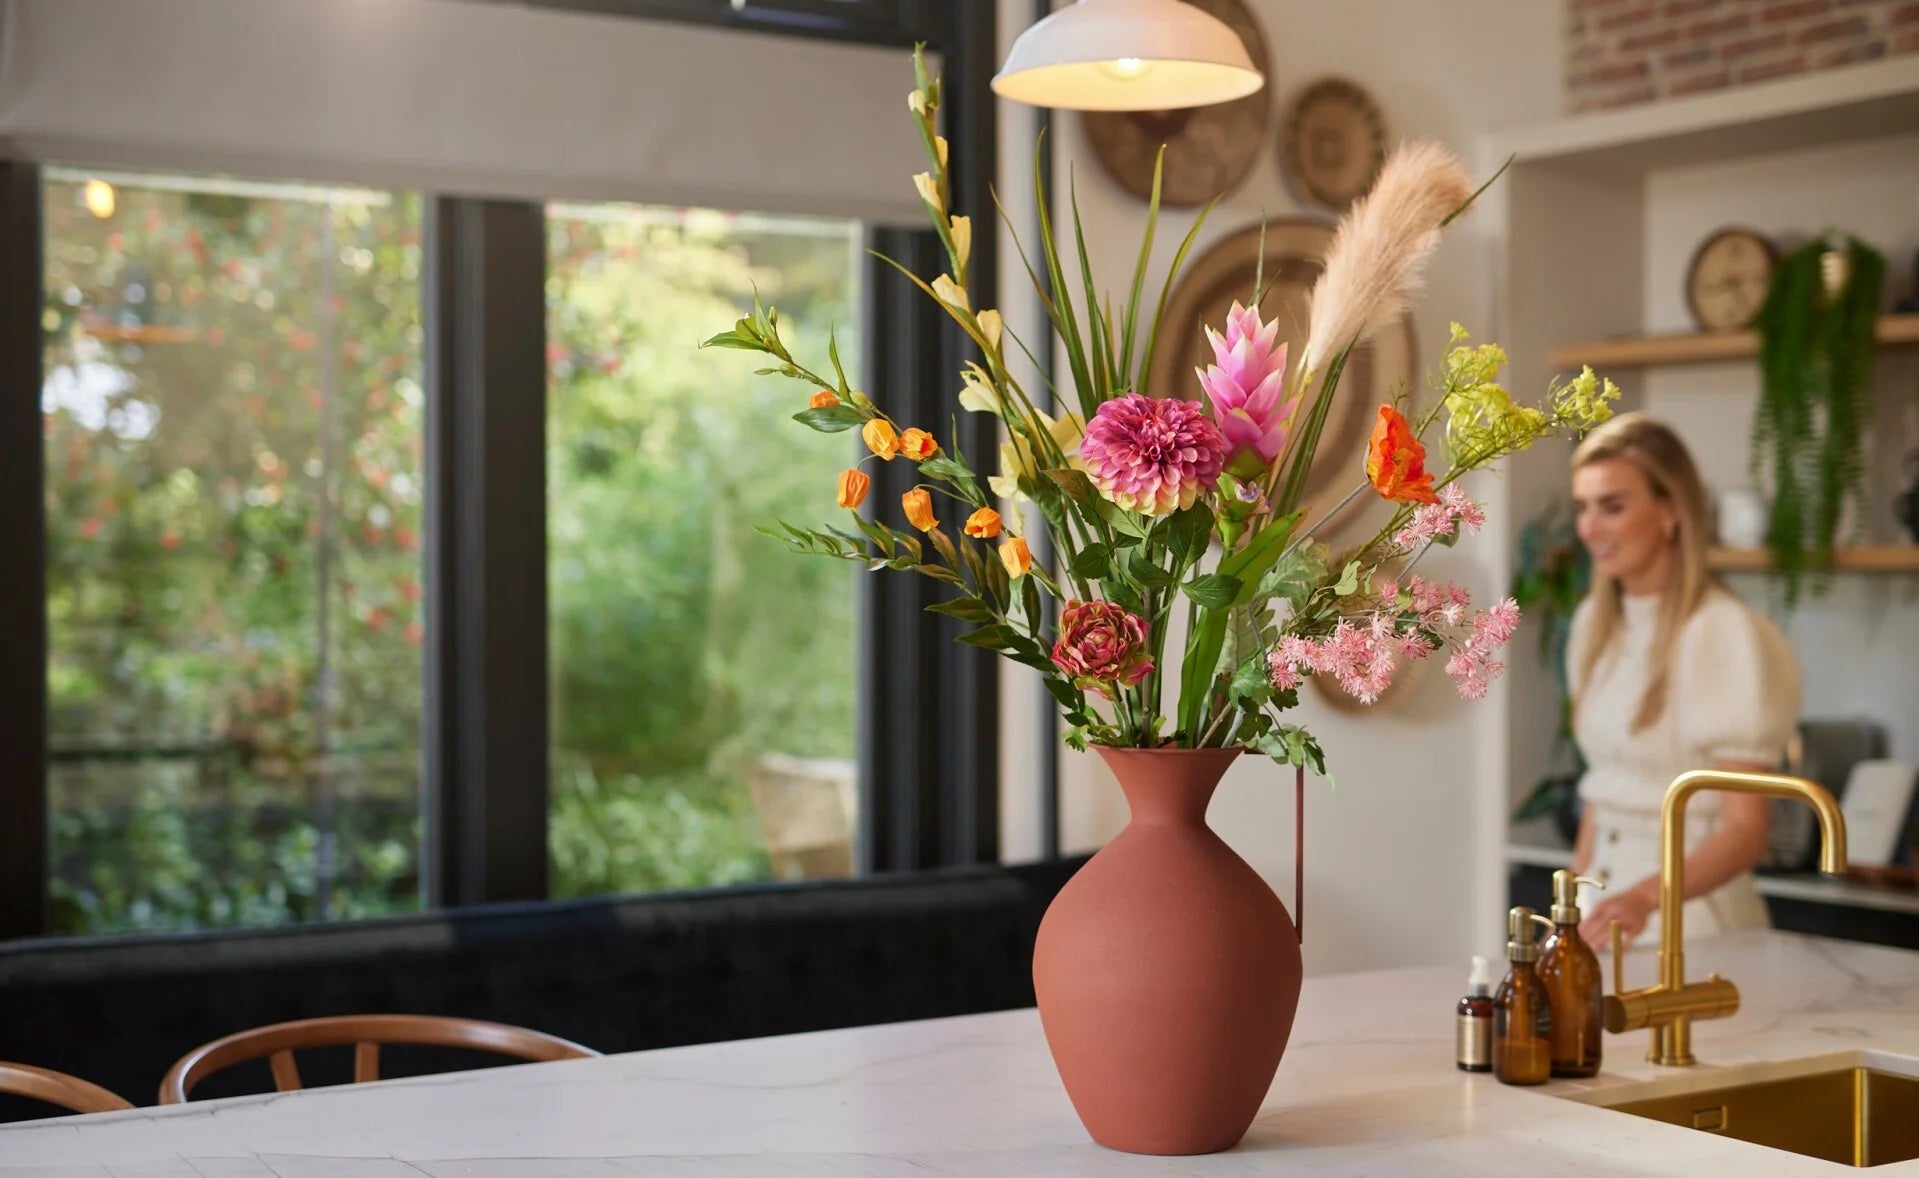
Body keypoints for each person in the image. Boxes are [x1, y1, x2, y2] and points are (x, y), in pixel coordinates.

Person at [1564, 413, 1800, 948]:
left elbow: (1745, 830)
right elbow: (1605, 791)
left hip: (1692, 923)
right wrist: (1571, 911)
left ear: (1670, 511)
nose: (1590, 528)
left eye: (1613, 507)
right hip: (1602, 915)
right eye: (1582, 508)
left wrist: (1646, 897)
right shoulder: (1592, 629)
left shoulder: (1723, 632)